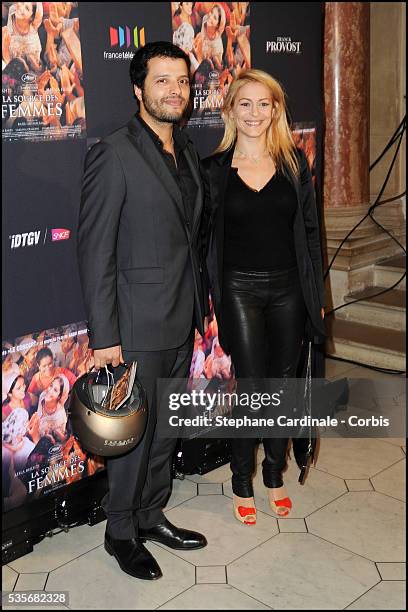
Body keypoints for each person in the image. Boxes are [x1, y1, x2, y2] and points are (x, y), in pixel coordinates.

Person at [77, 41, 209, 581]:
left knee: (166, 430)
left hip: (182, 318)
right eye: (162, 81)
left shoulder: (188, 150)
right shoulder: (113, 152)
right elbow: (95, 249)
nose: (175, 91)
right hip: (134, 325)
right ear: (138, 89)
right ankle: (120, 532)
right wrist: (105, 334)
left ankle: (152, 515)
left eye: (181, 81)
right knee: (132, 437)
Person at [201, 69, 326, 525]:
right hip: (239, 288)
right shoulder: (212, 171)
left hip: (289, 288)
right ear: (230, 110)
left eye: (265, 104)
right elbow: (201, 244)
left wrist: (317, 294)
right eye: (246, 104)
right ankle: (240, 478)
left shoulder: (295, 163)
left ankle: (274, 472)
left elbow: (311, 234)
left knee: (283, 385)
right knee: (252, 386)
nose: (255, 113)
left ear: (276, 110)